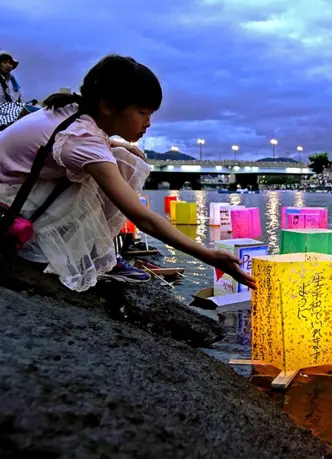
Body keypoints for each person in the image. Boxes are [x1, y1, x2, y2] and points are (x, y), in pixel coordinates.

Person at [0, 54, 255, 292]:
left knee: (122, 156)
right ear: (108, 106)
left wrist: (115, 143)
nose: (148, 122)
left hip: (15, 189)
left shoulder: (73, 112)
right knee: (120, 166)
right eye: (142, 112)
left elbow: (61, 142)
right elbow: (141, 217)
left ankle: (90, 252)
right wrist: (207, 255)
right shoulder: (82, 140)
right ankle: (87, 256)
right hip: (7, 203)